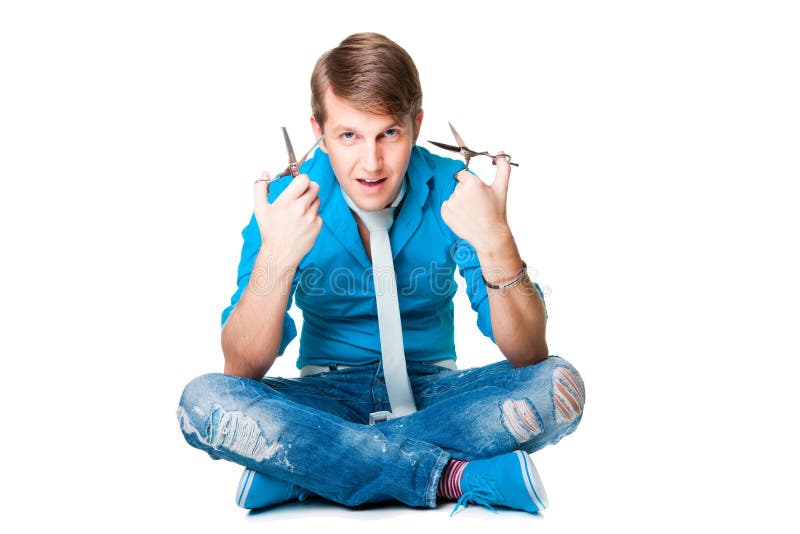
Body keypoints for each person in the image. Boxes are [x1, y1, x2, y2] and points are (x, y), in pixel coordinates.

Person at [177, 32, 585, 515]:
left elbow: (528, 353)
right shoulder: (284, 205)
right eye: (349, 135)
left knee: (560, 385)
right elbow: (241, 370)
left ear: (416, 125)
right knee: (202, 401)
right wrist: (276, 256)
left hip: (436, 392)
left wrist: (497, 239)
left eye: (388, 133)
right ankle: (453, 476)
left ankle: (312, 468)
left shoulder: (456, 191)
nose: (371, 163)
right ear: (319, 133)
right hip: (324, 394)